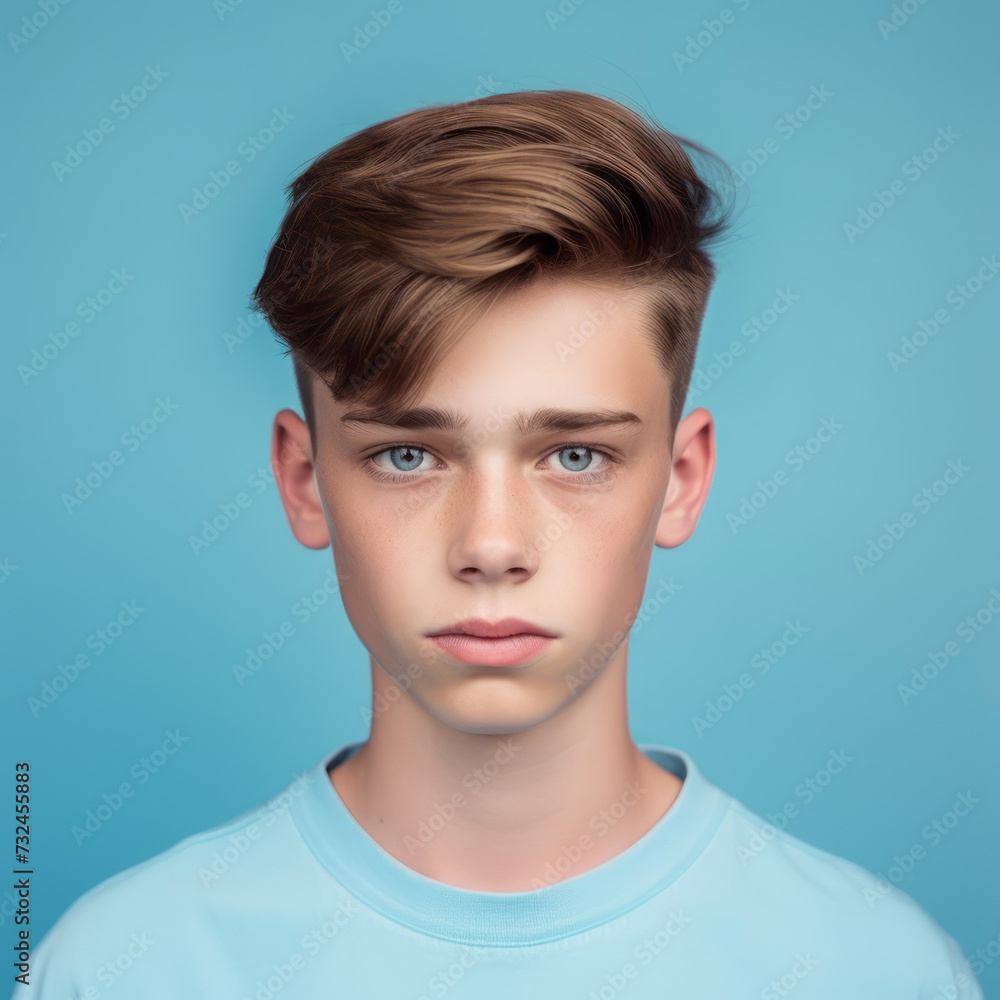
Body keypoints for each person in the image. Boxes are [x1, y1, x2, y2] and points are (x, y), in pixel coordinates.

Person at [18, 89, 982, 999]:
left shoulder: (873, 970)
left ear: (681, 480)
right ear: (304, 479)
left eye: (575, 454)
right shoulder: (127, 968)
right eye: (406, 455)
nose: (490, 545)